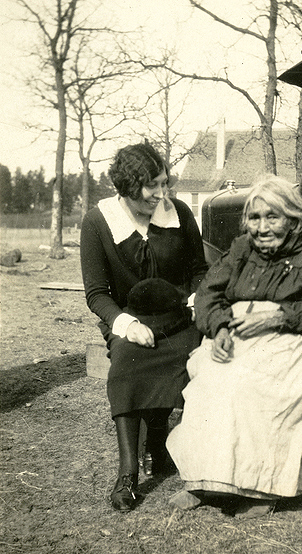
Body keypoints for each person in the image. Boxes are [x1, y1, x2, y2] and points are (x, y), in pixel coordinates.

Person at [166, 174, 302, 518]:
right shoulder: (243, 247)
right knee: (207, 384)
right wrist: (220, 328)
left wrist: (277, 317)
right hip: (238, 333)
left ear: (291, 217)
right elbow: (208, 294)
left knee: (252, 388)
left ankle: (262, 489)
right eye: (254, 218)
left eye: (271, 217)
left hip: (293, 335)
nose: (261, 227)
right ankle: (204, 481)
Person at [80, 142, 207, 512]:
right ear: (126, 187)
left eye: (164, 183)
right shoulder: (98, 221)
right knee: (127, 362)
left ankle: (158, 439)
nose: (161, 194)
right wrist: (125, 323)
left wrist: (197, 299)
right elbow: (96, 293)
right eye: (151, 186)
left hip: (179, 317)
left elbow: (199, 270)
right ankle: (128, 472)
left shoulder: (179, 213)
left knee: (190, 357)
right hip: (128, 319)